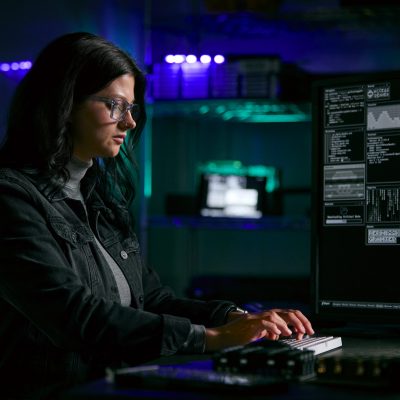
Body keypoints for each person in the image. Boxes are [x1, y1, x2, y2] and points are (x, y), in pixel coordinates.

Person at [0, 32, 314, 399]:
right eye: (115, 105)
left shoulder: (98, 198)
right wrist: (211, 339)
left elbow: (152, 300)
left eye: (131, 108)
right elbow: (73, 316)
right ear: (64, 103)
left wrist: (234, 318)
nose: (130, 122)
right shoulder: (11, 196)